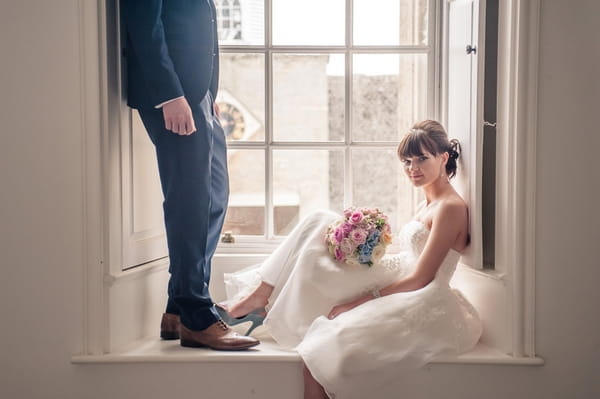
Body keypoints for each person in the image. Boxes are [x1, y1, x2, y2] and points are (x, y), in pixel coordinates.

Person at [220, 120, 483, 397]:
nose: (412, 168)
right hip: (398, 278)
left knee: (319, 350)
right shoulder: (426, 204)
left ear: (443, 158)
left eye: (421, 159)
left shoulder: (450, 208)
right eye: (406, 160)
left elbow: (422, 277)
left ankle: (261, 297)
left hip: (421, 294)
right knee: (321, 223)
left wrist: (359, 302)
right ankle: (263, 296)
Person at [122, 0, 259, 350]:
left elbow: (201, 25)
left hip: (197, 96)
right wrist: (171, 95)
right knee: (190, 201)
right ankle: (196, 314)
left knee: (214, 195)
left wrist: (206, 92)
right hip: (172, 94)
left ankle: (176, 307)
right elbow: (143, 25)